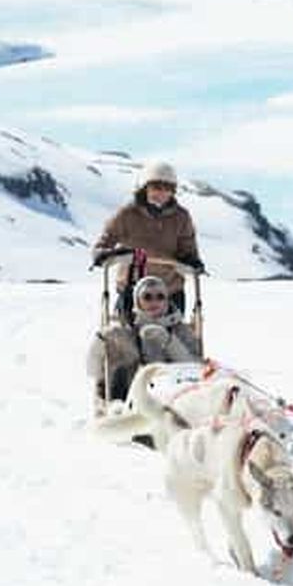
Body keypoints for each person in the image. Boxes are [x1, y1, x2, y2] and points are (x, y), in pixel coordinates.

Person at [92, 160, 204, 313]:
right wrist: (101, 253)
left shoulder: (181, 217)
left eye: (168, 188)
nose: (162, 193)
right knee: (123, 334)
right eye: (156, 187)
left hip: (169, 291)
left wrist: (192, 261)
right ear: (145, 188)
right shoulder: (128, 214)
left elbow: (188, 248)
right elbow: (107, 237)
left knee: (174, 335)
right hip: (131, 289)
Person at [87, 275, 199, 414]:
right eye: (147, 297)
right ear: (138, 301)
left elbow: (194, 369)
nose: (154, 301)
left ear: (167, 300)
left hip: (173, 398)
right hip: (132, 399)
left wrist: (169, 341)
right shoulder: (126, 330)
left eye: (160, 296)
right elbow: (93, 371)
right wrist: (99, 342)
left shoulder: (181, 330)